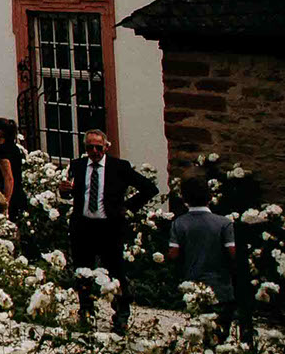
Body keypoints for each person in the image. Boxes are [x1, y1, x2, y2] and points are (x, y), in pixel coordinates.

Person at [68, 128, 154, 332]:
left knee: (116, 272)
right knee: (82, 272)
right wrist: (65, 192)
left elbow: (149, 188)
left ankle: (121, 315)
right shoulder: (78, 166)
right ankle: (86, 313)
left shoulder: (118, 167)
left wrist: (127, 207)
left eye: (99, 147)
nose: (95, 151)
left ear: (106, 147)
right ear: (85, 148)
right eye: (90, 147)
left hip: (109, 228)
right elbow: (73, 194)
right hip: (84, 227)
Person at [168, 176, 241, 342]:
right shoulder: (224, 223)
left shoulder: (179, 223)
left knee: (197, 336)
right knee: (221, 337)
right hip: (221, 288)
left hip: (193, 288)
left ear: (185, 198)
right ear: (209, 197)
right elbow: (232, 253)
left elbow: (173, 254)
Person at [0, 117, 28, 227]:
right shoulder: (14, 149)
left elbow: (8, 177)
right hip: (19, 194)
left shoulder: (1, 151)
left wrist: (5, 203)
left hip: (11, 197)